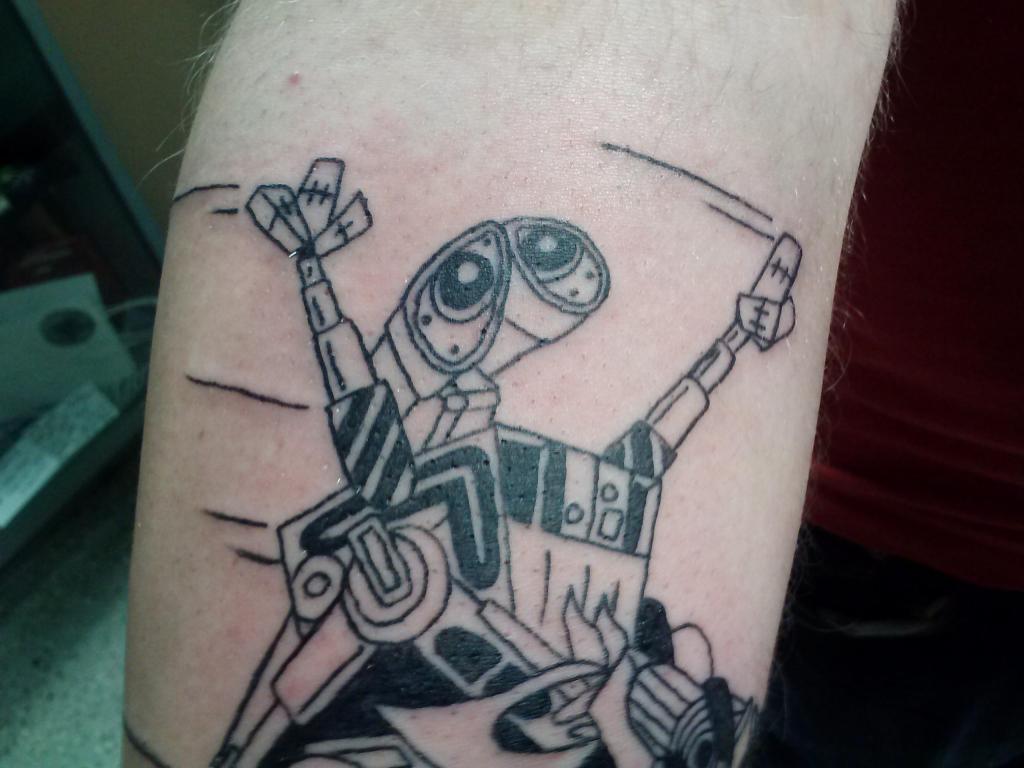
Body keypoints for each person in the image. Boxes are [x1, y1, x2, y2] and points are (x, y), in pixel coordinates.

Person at [122, 2, 898, 766]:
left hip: (907, 578)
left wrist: (733, 343)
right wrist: (312, 271)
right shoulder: (436, 464)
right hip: (794, 538)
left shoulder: (489, 485)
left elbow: (643, 454)